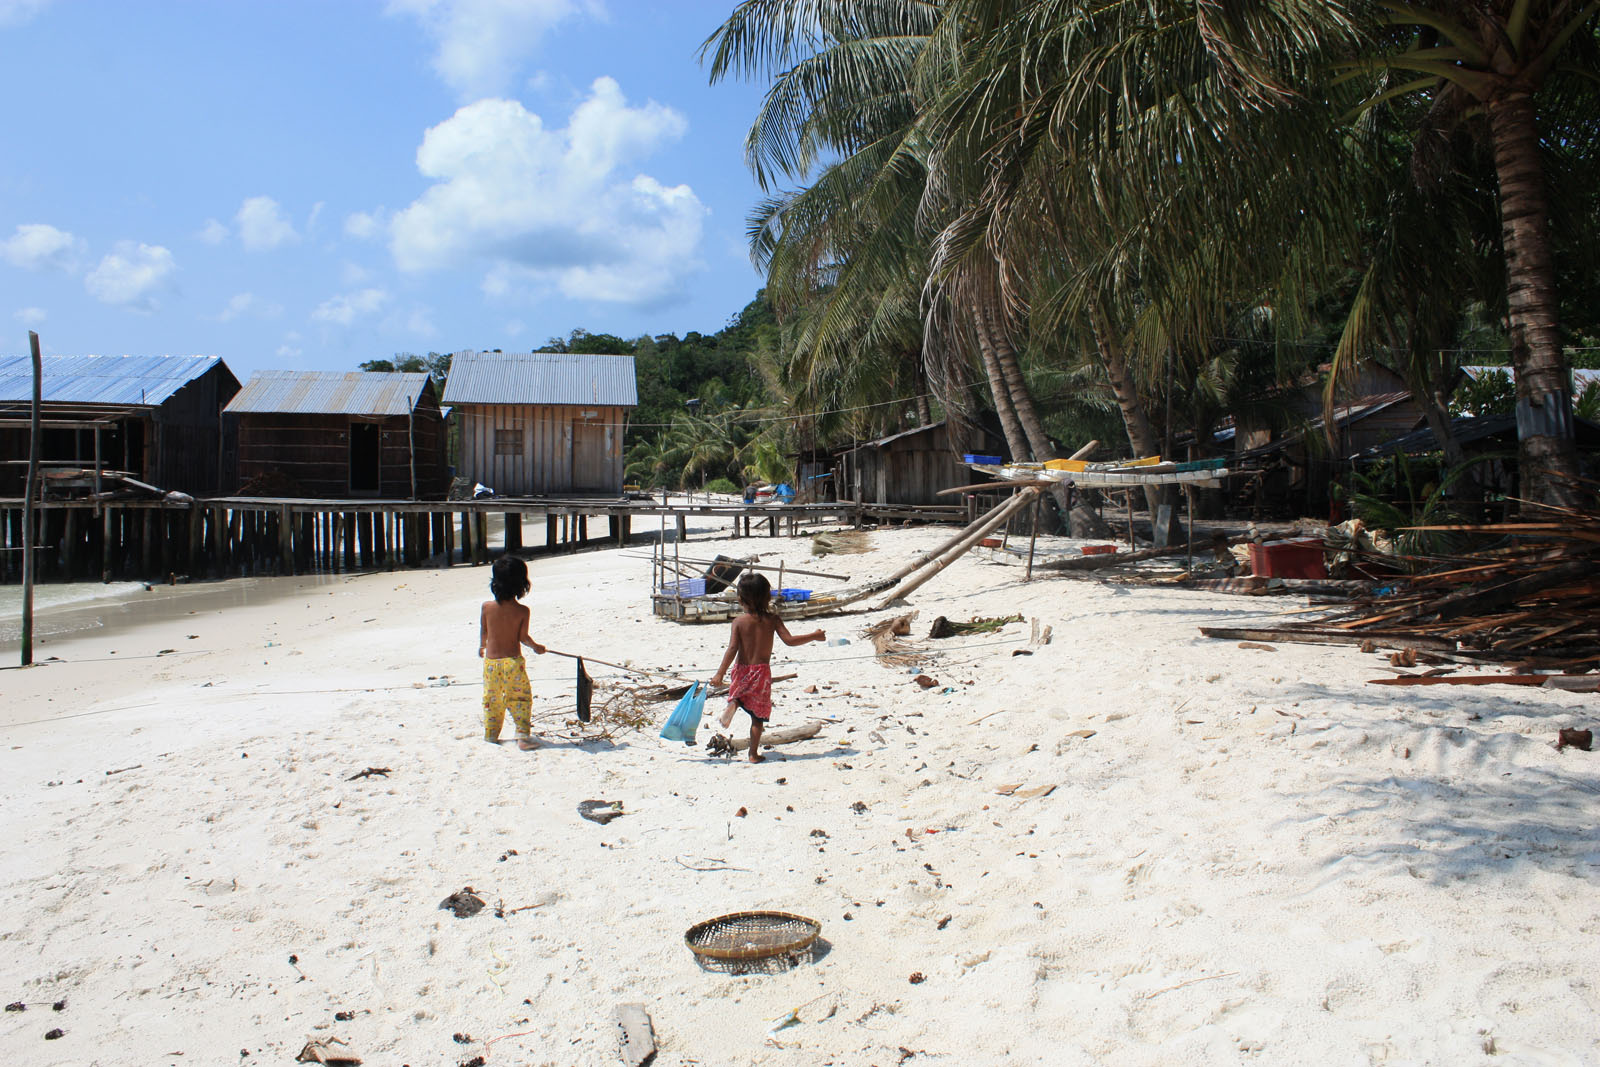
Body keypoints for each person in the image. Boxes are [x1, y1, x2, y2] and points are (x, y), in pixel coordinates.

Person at [709, 572, 825, 763]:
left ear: (740, 599)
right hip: (761, 673)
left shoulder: (738, 622)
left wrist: (719, 674)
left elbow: (732, 649)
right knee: (758, 717)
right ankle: (753, 754)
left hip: (741, 669)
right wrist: (814, 635)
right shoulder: (772, 620)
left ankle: (735, 702)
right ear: (767, 597)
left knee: (740, 694)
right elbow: (790, 641)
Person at [480, 555, 546, 750]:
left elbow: (484, 631)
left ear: (495, 583)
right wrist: (536, 647)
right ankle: (523, 737)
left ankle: (491, 734)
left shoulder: (487, 607)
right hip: (513, 663)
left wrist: (481, 646)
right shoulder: (522, 611)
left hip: (491, 664)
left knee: (492, 699)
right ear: (522, 584)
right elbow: (523, 637)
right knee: (520, 699)